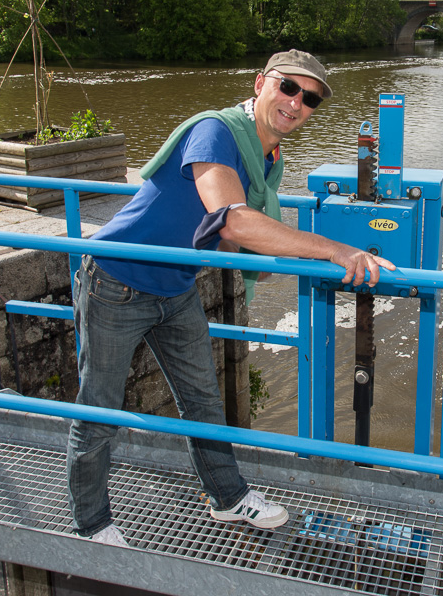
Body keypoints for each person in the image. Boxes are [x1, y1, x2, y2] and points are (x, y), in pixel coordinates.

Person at [66, 49, 395, 544]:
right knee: (100, 408)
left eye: (310, 99)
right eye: (288, 87)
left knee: (202, 399)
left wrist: (267, 255)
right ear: (260, 82)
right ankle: (92, 524)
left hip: (175, 286)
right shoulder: (215, 131)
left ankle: (227, 496)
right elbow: (233, 219)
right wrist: (335, 251)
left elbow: (230, 237)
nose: (296, 103)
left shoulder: (267, 156)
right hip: (117, 279)